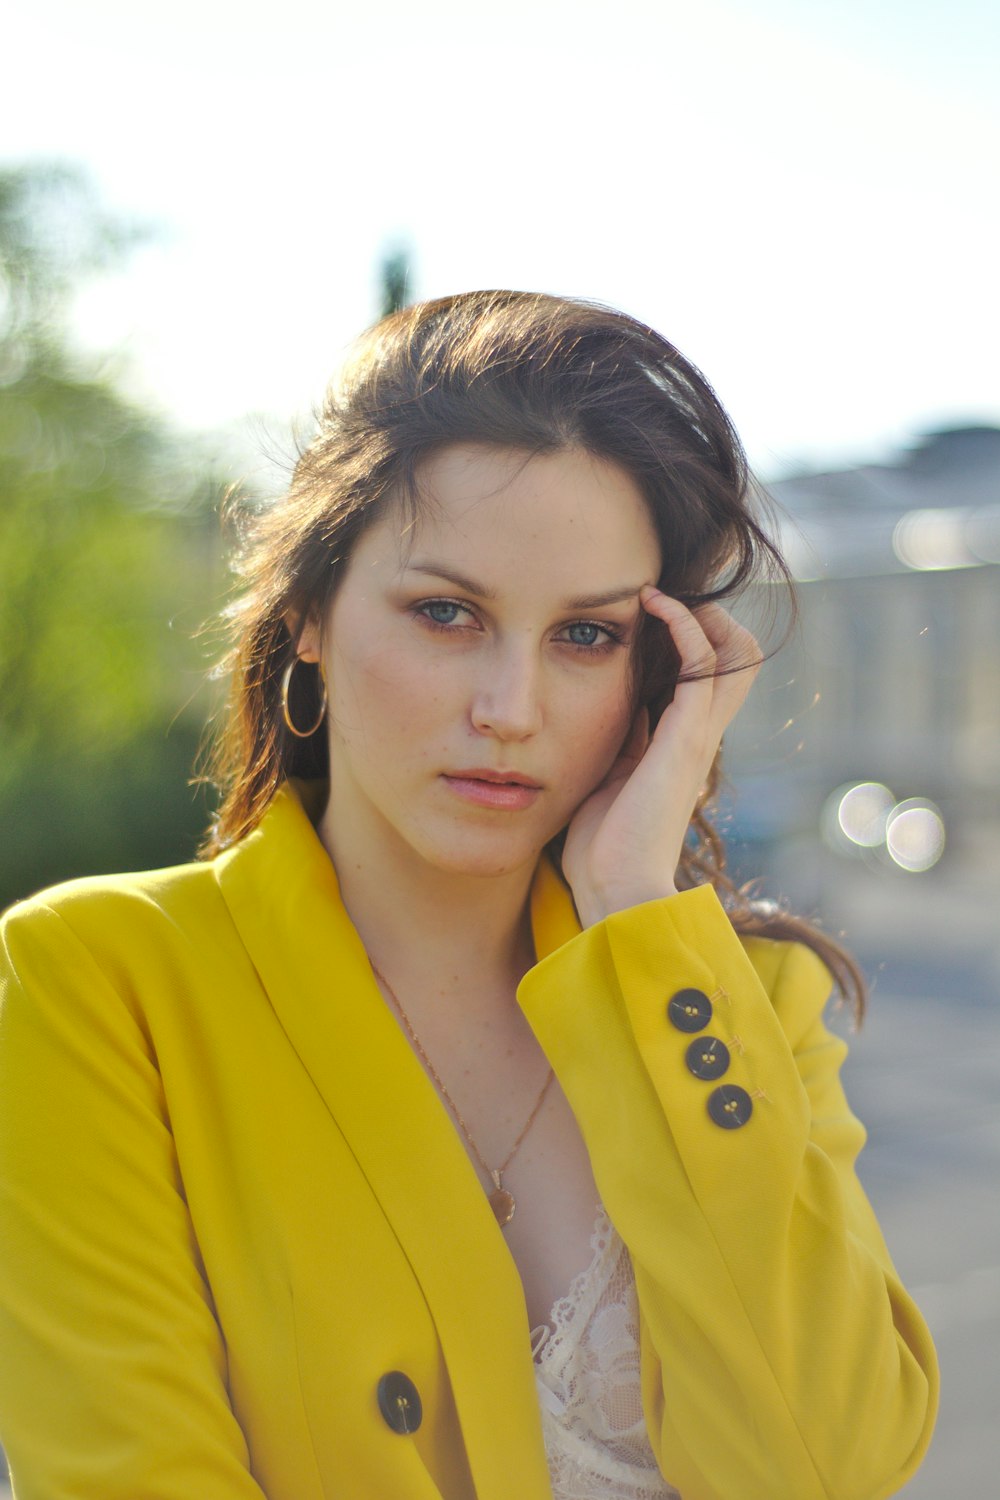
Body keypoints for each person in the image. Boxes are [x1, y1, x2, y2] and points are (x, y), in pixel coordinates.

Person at [0, 290, 937, 1500]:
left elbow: (826, 1465)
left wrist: (637, 916)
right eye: (447, 614)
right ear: (308, 624)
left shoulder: (742, 1002)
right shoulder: (99, 980)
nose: (512, 708)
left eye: (586, 638)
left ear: (660, 669)